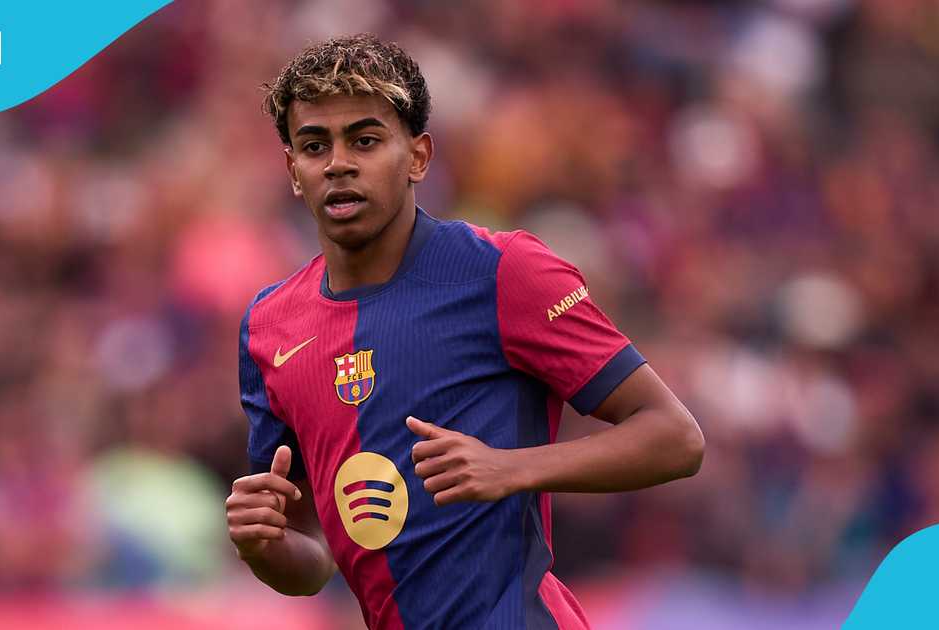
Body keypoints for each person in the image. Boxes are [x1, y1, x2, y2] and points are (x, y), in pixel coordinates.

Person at [227, 33, 704, 630]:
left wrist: (511, 468)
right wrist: (263, 547)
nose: (339, 163)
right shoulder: (270, 327)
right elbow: (313, 564)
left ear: (420, 157)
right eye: (315, 145)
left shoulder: (504, 272)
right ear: (294, 171)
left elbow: (676, 438)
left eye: (366, 140)